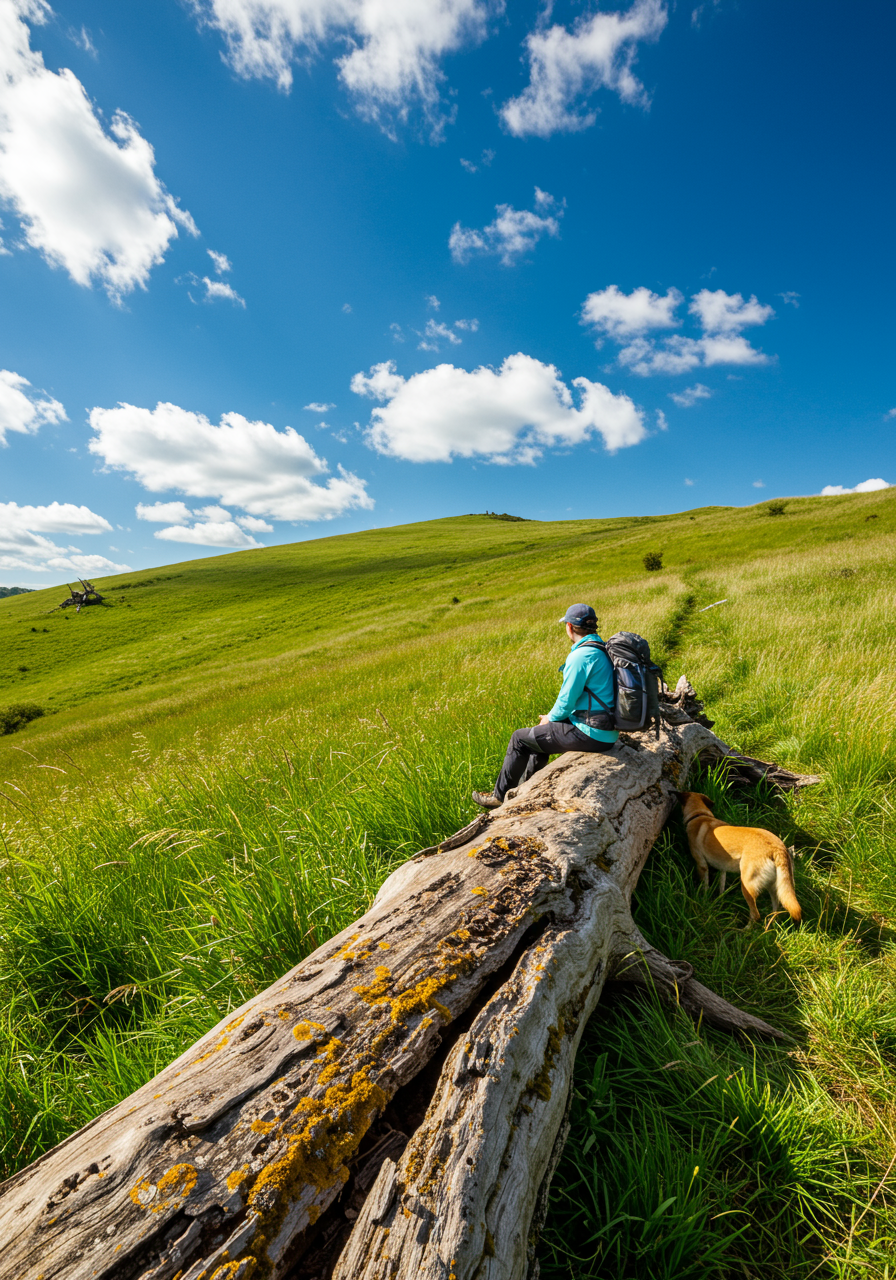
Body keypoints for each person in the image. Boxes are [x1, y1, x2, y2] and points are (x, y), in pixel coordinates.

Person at [472, 604, 619, 809]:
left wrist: (550, 717)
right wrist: (550, 719)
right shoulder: (601, 649)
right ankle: (525, 790)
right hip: (607, 731)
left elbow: (567, 700)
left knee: (519, 739)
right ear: (594, 627)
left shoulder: (581, 656)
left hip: (592, 734)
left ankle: (499, 797)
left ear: (569, 627)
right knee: (537, 736)